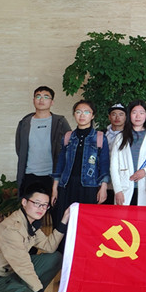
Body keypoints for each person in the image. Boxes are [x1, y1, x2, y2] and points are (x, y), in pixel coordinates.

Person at [51, 101, 109, 246]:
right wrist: (55, 188)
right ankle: (62, 254)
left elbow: (104, 164)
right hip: (67, 185)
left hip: (89, 187)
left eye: (86, 112)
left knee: (87, 222)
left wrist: (103, 187)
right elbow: (60, 163)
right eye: (78, 112)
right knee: (64, 220)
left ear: (92, 115)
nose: (82, 115)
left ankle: (84, 253)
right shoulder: (68, 137)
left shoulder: (100, 137)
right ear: (74, 114)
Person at [16, 86, 71, 197]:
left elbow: (69, 146)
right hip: (29, 174)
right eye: (38, 96)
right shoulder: (24, 123)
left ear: (52, 102)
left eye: (46, 97)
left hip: (53, 175)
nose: (41, 100)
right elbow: (19, 147)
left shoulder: (60, 122)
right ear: (33, 100)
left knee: (53, 206)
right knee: (30, 205)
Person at [110, 100, 146, 206]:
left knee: (144, 216)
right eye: (134, 112)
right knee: (123, 216)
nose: (138, 116)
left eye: (141, 113)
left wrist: (145, 171)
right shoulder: (120, 137)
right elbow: (114, 166)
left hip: (145, 187)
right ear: (129, 115)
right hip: (124, 188)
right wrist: (118, 190)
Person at [105, 103, 126, 205]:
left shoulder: (130, 135)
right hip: (106, 181)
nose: (117, 117)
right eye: (114, 114)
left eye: (121, 114)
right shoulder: (102, 134)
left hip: (123, 182)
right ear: (109, 117)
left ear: (126, 117)